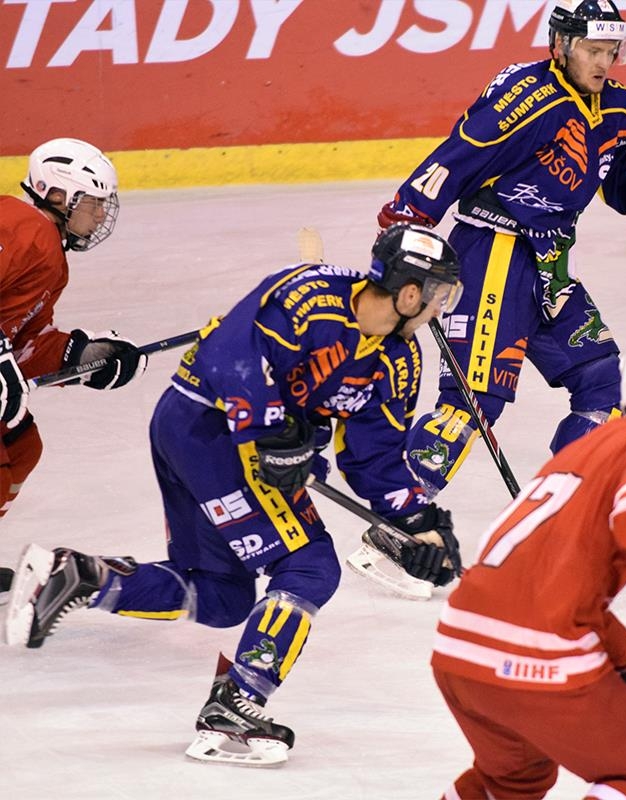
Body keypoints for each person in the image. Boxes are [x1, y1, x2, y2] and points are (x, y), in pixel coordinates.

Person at [4, 224, 466, 766]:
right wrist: (273, 433)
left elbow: (373, 457)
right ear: (410, 293)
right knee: (312, 565)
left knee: (223, 596)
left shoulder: (398, 360)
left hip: (213, 441)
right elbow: (228, 357)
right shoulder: (308, 295)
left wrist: (417, 520)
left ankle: (78, 577)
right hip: (212, 428)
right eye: (439, 294)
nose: (441, 307)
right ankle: (236, 709)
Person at [377, 0, 626, 499]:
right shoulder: (524, 97)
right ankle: (402, 516)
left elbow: (619, 195)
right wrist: (405, 220)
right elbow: (456, 156)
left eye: (611, 52)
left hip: (549, 263)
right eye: (592, 50)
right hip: (492, 250)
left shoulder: (619, 108)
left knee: (602, 380)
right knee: (470, 402)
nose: (603, 63)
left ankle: (560, 505)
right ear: (562, 44)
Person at [431, 329, 626, 800]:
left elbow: (574, 598)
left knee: (515, 779)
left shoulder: (579, 453)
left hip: (458, 650)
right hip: (535, 657)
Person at [0, 137, 148, 519]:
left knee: (21, 448)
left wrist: (82, 357)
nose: (101, 216)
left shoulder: (51, 255)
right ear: (58, 196)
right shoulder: (18, 225)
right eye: (94, 202)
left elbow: (26, 343)